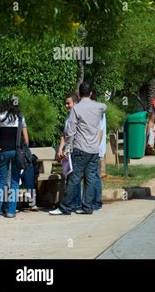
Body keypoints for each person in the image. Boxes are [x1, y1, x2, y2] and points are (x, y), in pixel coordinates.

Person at [50, 82, 107, 215]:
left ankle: (65, 207)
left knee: (73, 179)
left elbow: (70, 132)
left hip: (80, 149)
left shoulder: (77, 109)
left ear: (80, 93)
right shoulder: (98, 107)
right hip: (94, 149)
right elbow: (105, 106)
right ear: (91, 93)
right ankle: (87, 207)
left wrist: (67, 148)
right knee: (91, 178)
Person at [0, 96, 30, 218]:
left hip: (2, 152)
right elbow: (26, 139)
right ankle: (11, 211)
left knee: (0, 182)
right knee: (14, 182)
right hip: (16, 152)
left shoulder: (0, 116)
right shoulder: (21, 117)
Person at [57, 92, 82, 211]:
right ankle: (73, 202)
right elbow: (65, 135)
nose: (66, 106)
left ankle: (76, 203)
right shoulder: (68, 118)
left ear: (75, 103)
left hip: (75, 150)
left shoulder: (78, 117)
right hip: (68, 151)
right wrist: (60, 148)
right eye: (65, 103)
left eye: (69, 103)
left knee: (74, 178)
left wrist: (68, 149)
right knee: (70, 177)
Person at [91, 90, 106, 210]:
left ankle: (97, 201)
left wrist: (95, 146)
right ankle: (95, 201)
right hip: (95, 147)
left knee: (94, 175)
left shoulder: (97, 110)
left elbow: (100, 131)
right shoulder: (98, 108)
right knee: (93, 175)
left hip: (95, 148)